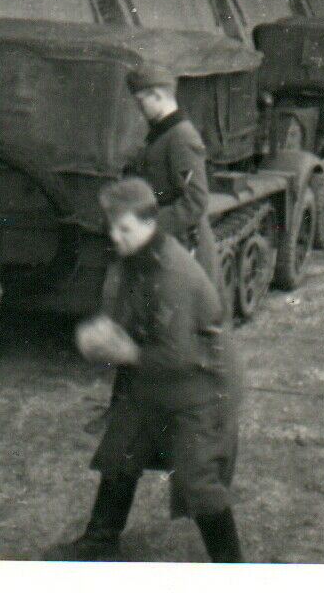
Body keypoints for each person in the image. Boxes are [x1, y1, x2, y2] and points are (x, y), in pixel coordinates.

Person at [43, 177, 243, 562]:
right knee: (121, 447)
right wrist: (107, 332)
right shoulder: (138, 257)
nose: (116, 237)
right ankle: (99, 541)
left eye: (125, 229)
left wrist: (124, 350)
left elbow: (179, 355)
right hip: (158, 375)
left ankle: (233, 568)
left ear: (150, 224)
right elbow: (131, 314)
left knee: (197, 480)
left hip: (203, 385)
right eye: (112, 227)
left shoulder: (173, 274)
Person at [126, 65, 220, 289]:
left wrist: (149, 227)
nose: (140, 109)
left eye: (141, 102)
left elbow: (195, 201)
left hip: (183, 245)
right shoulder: (163, 133)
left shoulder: (181, 137)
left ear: (157, 96)